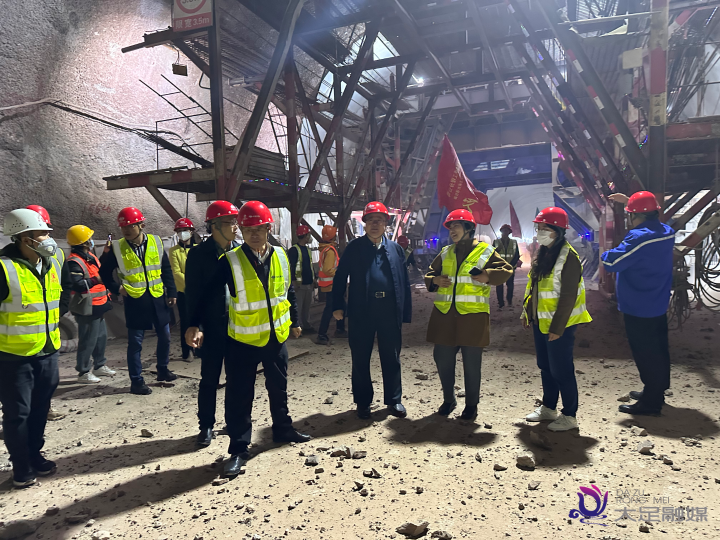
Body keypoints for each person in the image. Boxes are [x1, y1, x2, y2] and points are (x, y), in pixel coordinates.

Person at [188, 201, 311, 477]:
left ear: (268, 228)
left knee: (278, 388)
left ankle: (283, 429)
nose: (254, 234)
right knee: (240, 396)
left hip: (275, 337)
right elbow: (206, 295)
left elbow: (287, 291)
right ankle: (238, 448)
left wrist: (294, 321)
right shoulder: (230, 261)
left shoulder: (281, 256)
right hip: (242, 342)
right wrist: (195, 324)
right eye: (248, 229)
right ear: (241, 230)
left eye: (259, 229)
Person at [425, 210, 513, 420]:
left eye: (456, 226)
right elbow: (429, 273)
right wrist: (434, 280)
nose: (452, 230)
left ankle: (471, 405)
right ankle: (449, 400)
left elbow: (506, 270)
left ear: (469, 228)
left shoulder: (485, 251)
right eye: (450, 227)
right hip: (445, 317)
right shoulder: (446, 252)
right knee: (443, 360)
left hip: (473, 318)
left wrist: (487, 275)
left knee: (472, 365)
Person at [332, 201, 412, 420]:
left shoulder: (395, 249)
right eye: (370, 220)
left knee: (392, 356)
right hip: (362, 310)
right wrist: (337, 305)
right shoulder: (354, 248)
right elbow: (340, 277)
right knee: (360, 357)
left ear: (386, 223)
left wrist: (404, 311)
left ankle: (394, 400)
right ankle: (363, 402)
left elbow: (404, 282)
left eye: (379, 220)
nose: (375, 224)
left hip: (389, 310)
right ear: (364, 223)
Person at [0, 209, 62, 487]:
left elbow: (60, 297)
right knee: (18, 414)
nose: (48, 238)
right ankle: (21, 466)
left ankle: (35, 454)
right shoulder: (3, 268)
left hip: (47, 350)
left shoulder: (52, 262)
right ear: (24, 238)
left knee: (40, 408)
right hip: (13, 356)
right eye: (42, 233)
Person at [601, 191, 675, 416]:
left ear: (634, 216)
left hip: (639, 305)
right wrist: (629, 202)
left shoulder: (639, 237)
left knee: (646, 353)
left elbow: (614, 262)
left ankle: (651, 403)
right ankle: (657, 388)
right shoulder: (666, 232)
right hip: (657, 301)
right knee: (659, 348)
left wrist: (604, 254)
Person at [522, 207, 592, 432]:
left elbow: (568, 295)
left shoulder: (568, 257)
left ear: (558, 231)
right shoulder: (544, 254)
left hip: (559, 325)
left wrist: (558, 327)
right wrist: (528, 313)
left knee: (561, 370)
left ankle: (570, 415)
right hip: (541, 321)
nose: (540, 233)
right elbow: (535, 287)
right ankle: (549, 407)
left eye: (545, 229)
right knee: (545, 366)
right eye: (539, 228)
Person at [99, 207, 177, 395]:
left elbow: (166, 269)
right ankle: (136, 381)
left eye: (130, 226)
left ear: (141, 225)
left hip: (157, 298)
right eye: (123, 227)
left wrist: (172, 291)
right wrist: (117, 288)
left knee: (165, 336)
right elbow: (103, 272)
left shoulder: (156, 242)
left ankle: (162, 369)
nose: (126, 230)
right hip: (135, 301)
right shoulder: (117, 248)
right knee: (135, 343)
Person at [184, 201, 240, 447]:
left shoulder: (240, 252)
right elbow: (194, 293)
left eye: (236, 222)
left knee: (236, 379)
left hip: (237, 326)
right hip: (212, 326)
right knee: (209, 378)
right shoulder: (199, 255)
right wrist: (194, 325)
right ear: (214, 226)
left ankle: (233, 421)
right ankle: (206, 425)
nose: (236, 227)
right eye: (230, 222)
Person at [60, 225, 114, 384]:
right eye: (89, 238)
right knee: (88, 341)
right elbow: (77, 284)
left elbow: (97, 270)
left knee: (101, 338)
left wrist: (105, 254)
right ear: (84, 242)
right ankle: (83, 372)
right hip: (87, 307)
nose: (91, 240)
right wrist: (97, 280)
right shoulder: (74, 262)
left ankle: (99, 365)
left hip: (99, 304)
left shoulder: (89, 256)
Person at [26, 205, 66, 421]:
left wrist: (57, 313)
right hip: (21, 338)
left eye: (47, 231)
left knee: (46, 381)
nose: (47, 237)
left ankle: (45, 411)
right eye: (41, 232)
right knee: (20, 390)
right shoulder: (8, 264)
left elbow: (65, 286)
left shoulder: (57, 254)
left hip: (48, 333)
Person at [169, 217, 196, 361]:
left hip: (199, 293)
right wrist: (193, 285)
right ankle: (187, 351)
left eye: (185, 230)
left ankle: (199, 349)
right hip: (184, 293)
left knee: (200, 321)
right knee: (186, 322)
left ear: (191, 231)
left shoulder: (198, 249)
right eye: (179, 231)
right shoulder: (174, 251)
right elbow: (177, 272)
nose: (182, 233)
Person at [315, 225, 346, 345]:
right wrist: (340, 273)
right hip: (332, 284)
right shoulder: (330, 251)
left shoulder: (325, 249)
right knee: (330, 309)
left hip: (329, 284)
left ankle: (340, 329)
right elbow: (328, 269)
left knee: (340, 305)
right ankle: (322, 334)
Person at [287, 225, 315, 334]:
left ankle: (306, 325)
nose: (310, 237)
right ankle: (298, 327)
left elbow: (309, 266)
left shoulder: (307, 250)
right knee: (298, 307)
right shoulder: (294, 250)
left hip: (308, 283)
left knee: (306, 307)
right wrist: (293, 282)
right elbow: (291, 267)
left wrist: (313, 279)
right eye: (308, 235)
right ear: (305, 236)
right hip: (299, 285)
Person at [493, 224, 520, 309]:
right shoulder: (496, 242)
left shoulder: (514, 242)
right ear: (501, 231)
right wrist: (497, 249)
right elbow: (491, 254)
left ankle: (509, 301)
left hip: (510, 267)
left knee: (510, 285)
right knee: (499, 285)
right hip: (499, 267)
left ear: (509, 232)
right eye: (503, 230)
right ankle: (500, 303)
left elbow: (516, 255)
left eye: (507, 230)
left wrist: (510, 265)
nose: (505, 232)